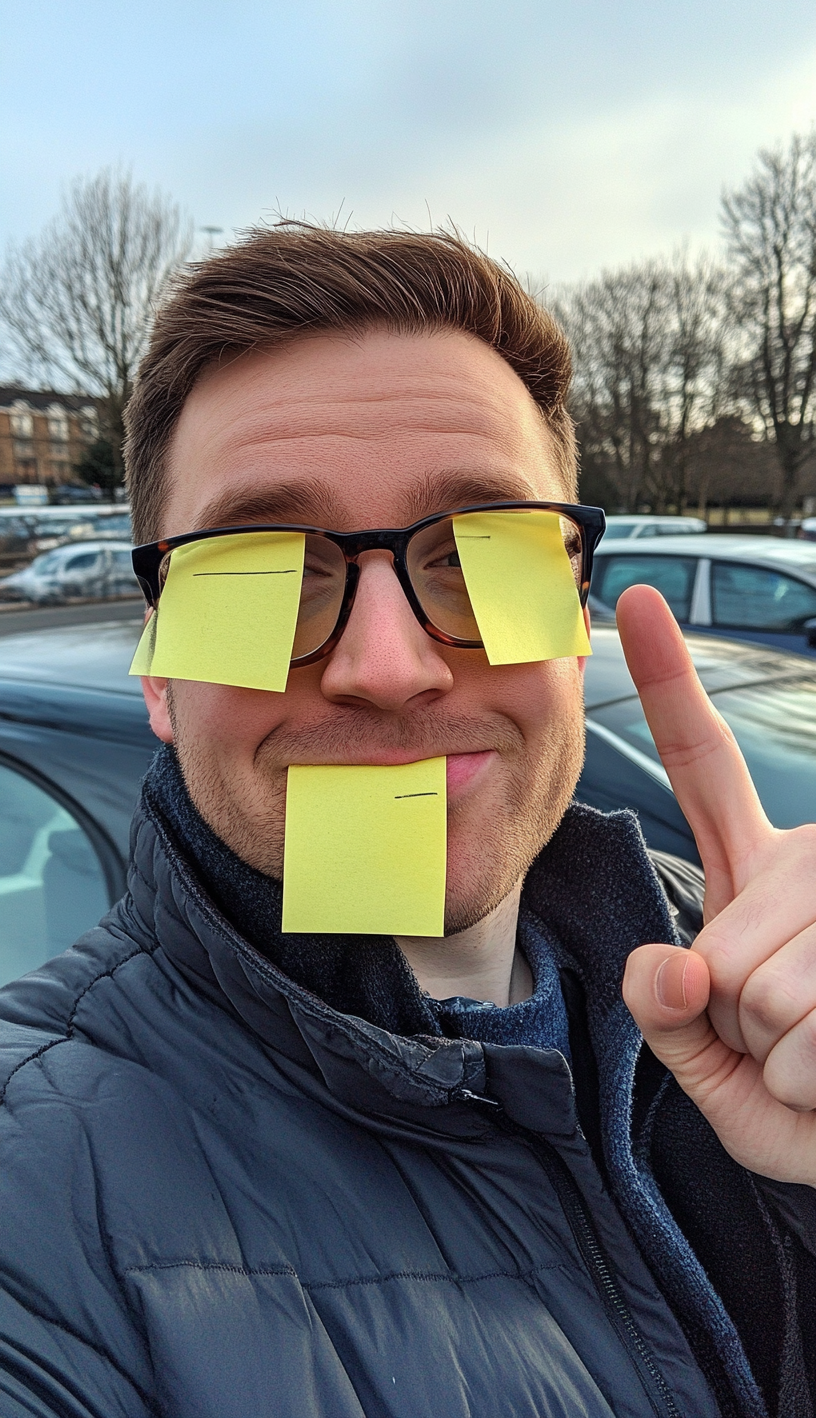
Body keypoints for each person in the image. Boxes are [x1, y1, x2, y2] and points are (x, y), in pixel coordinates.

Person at [0, 225, 813, 1418]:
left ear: (574, 618)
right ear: (161, 674)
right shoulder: (33, 1188)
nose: (389, 668)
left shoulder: (760, 974)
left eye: (486, 554)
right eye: (258, 568)